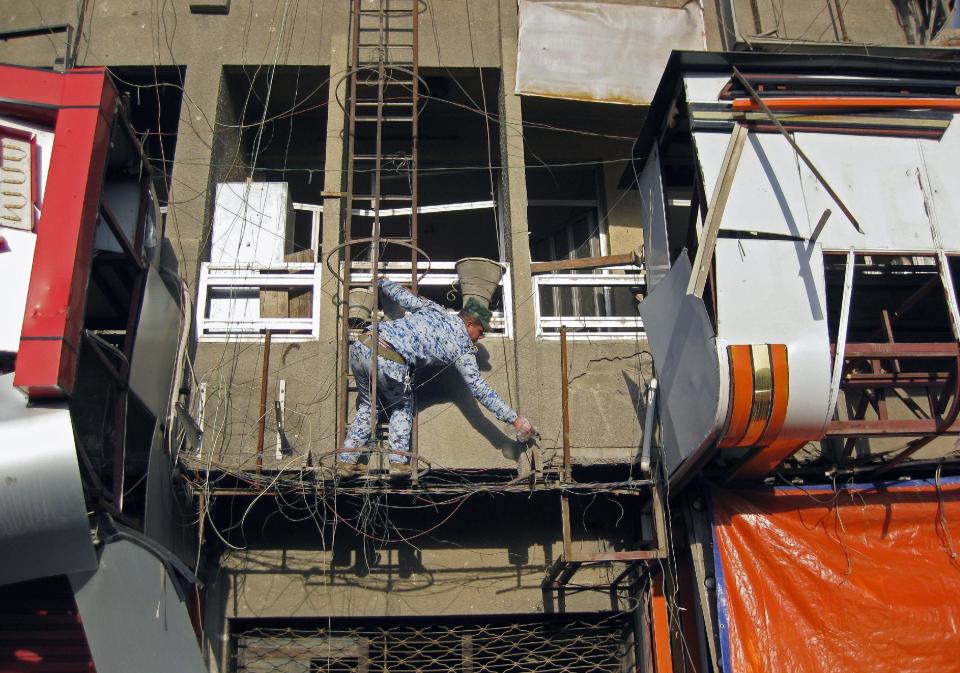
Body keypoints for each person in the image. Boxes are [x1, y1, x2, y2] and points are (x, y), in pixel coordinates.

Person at [339, 277, 536, 475]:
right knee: (402, 406)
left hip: (362, 345)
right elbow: (480, 390)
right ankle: (398, 462)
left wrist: (382, 283)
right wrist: (515, 420)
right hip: (389, 358)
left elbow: (403, 296)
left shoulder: (434, 309)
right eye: (481, 331)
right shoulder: (462, 346)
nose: (481, 336)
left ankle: (346, 460)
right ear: (469, 324)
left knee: (368, 405)